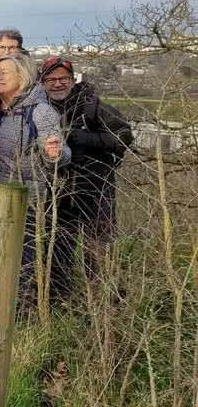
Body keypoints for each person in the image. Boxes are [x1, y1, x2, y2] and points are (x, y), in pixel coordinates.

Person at [0, 52, 69, 306]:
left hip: (23, 202)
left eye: (4, 72)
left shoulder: (40, 112)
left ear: (22, 77)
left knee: (21, 263)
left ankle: (21, 316)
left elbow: (60, 154)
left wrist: (56, 152)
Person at [39, 57, 132, 299]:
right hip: (57, 189)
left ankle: (102, 302)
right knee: (59, 245)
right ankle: (59, 301)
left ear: (72, 80)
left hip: (96, 186)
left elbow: (123, 135)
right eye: (51, 79)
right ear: (42, 82)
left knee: (100, 246)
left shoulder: (91, 104)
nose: (57, 84)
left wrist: (91, 140)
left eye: (63, 79)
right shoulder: (40, 107)